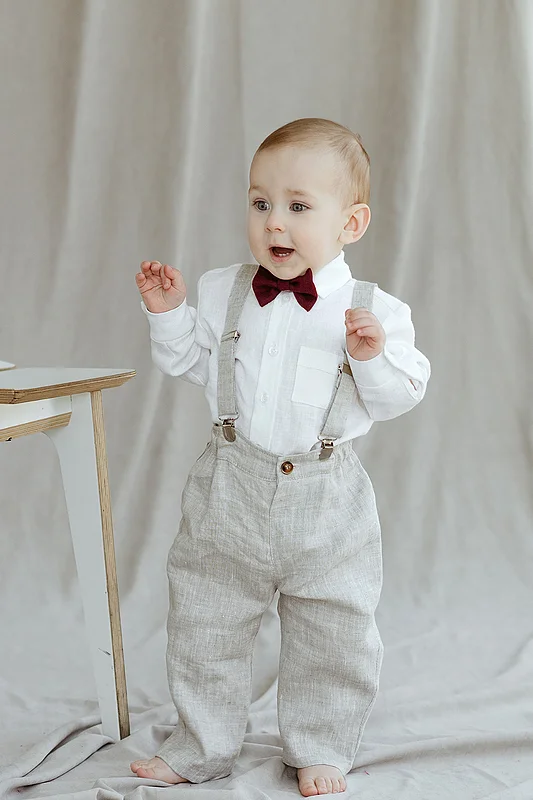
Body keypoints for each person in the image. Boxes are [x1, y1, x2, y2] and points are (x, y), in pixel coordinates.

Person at [130, 118, 430, 797]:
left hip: (327, 498)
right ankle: (201, 746)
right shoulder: (222, 289)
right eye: (260, 202)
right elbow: (192, 365)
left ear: (351, 223)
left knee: (333, 628)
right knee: (205, 619)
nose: (274, 222)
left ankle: (320, 747)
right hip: (228, 483)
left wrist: (371, 356)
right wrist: (168, 314)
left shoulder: (372, 309)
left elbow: (401, 395)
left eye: (298, 206)